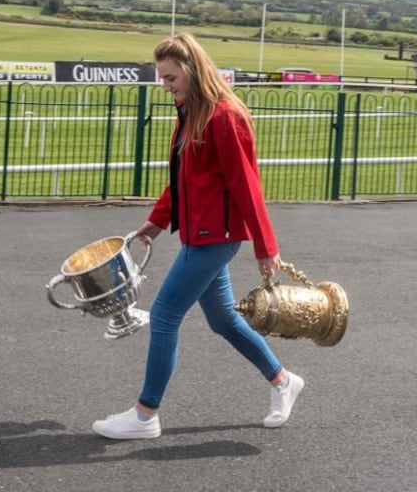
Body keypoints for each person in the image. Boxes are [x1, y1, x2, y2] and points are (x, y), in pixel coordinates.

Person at [91, 33, 304, 440]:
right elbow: (184, 180)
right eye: (162, 78)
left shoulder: (224, 117)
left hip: (216, 238)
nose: (165, 85)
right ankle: (282, 381)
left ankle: (145, 414)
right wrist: (156, 220)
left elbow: (246, 186)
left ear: (192, 70)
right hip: (201, 235)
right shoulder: (191, 112)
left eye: (171, 77)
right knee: (223, 320)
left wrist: (266, 248)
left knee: (166, 315)